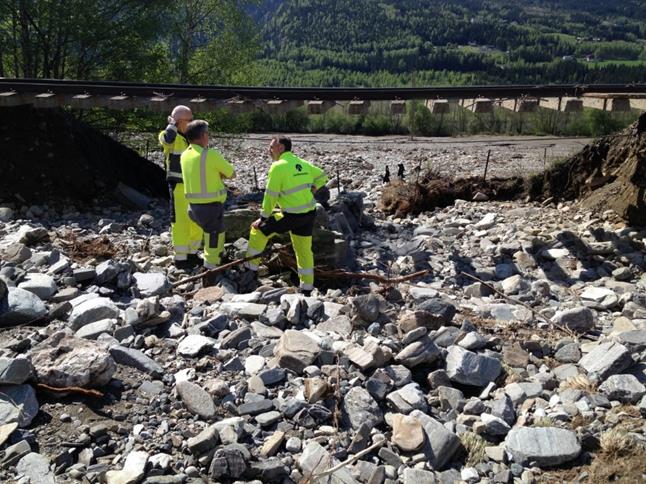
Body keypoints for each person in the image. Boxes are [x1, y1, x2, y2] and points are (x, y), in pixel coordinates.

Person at [245, 137, 327, 295]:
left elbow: (270, 195)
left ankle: (249, 271)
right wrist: (315, 186)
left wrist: (263, 218)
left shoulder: (278, 166)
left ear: (281, 148)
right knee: (303, 250)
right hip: (309, 214)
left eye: (271, 147)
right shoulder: (302, 163)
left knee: (258, 231)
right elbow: (323, 175)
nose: (269, 150)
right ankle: (307, 287)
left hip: (291, 215)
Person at [180, 120, 235, 275]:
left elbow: (199, 174)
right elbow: (231, 173)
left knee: (219, 230)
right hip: (210, 207)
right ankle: (210, 269)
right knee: (213, 235)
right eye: (208, 134)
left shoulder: (185, 155)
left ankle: (219, 256)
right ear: (204, 136)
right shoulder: (210, 154)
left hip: (192, 207)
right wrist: (219, 174)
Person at [159, 105, 203, 269]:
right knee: (180, 223)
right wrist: (172, 125)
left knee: (196, 222)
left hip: (194, 187)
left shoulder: (190, 139)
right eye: (189, 120)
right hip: (178, 186)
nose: (192, 123)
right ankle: (181, 258)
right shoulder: (169, 137)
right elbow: (166, 139)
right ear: (178, 121)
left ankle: (192, 253)